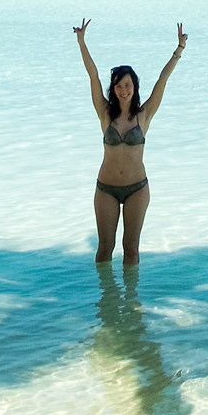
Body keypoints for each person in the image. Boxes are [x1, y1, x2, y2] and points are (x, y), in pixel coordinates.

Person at [74, 18, 188, 263]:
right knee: (105, 248)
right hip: (106, 188)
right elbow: (93, 76)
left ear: (134, 87)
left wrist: (179, 49)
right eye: (118, 86)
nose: (123, 90)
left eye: (127, 85)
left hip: (137, 188)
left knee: (131, 249)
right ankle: (105, 290)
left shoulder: (144, 115)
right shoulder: (105, 113)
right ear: (113, 89)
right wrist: (81, 42)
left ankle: (132, 290)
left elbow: (162, 80)